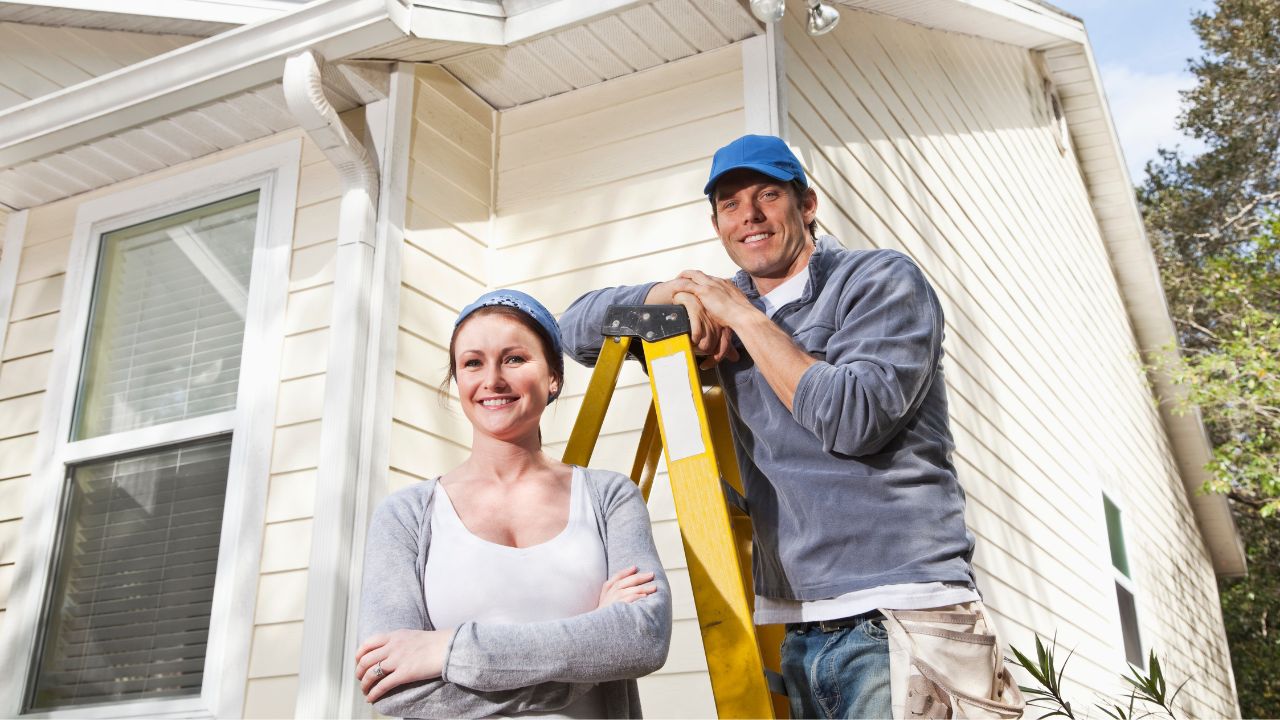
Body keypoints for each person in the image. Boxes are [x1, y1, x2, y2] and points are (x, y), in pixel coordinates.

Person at [559, 135, 985, 719]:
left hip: (903, 612)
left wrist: (737, 313)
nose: (749, 216)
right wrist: (677, 296)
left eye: (767, 195)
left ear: (806, 205)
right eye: (730, 205)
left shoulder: (879, 280)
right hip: (801, 627)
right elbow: (576, 329)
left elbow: (853, 416)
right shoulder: (722, 302)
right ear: (717, 225)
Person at [355, 289, 671, 719]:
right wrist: (592, 646)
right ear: (458, 381)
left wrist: (449, 649)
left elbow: (643, 640)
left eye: (514, 359)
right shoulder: (407, 516)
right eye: (472, 363)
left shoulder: (609, 498)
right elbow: (389, 684)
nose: (493, 380)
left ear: (553, 377)